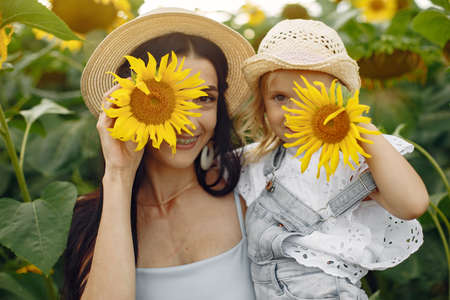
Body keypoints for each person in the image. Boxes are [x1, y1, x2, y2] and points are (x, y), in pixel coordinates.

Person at [63, 8, 256, 300]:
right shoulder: (91, 218)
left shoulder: (249, 185)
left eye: (205, 98)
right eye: (169, 99)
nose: (188, 123)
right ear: (130, 102)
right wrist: (118, 175)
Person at [236, 19, 429, 299]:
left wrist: (356, 124)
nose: (294, 112)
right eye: (280, 97)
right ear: (262, 103)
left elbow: (412, 204)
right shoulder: (257, 160)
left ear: (336, 99)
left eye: (309, 98)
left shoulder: (352, 159)